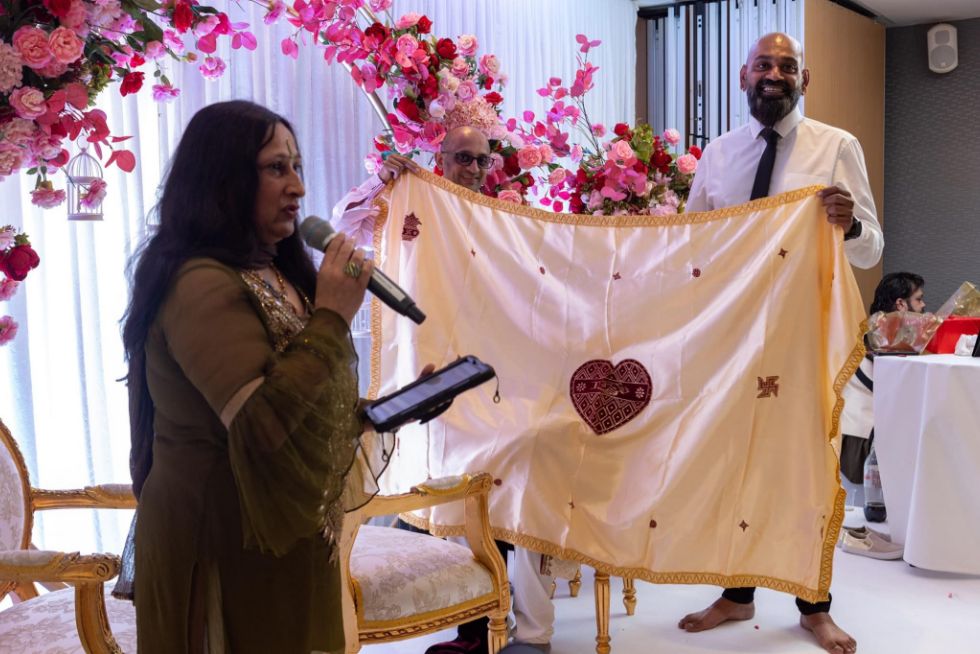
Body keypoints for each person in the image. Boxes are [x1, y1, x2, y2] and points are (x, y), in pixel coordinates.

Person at [122, 100, 389, 653]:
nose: (297, 187)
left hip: (279, 531)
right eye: (276, 168)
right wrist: (333, 316)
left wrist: (396, 408)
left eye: (297, 167)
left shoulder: (274, 269)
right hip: (218, 535)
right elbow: (261, 424)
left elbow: (304, 403)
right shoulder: (198, 282)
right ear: (223, 179)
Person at [679, 32, 885, 654]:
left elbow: (874, 247)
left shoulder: (836, 147)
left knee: (806, 467)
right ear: (744, 78)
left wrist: (849, 224)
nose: (776, 74)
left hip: (804, 338)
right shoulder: (717, 155)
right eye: (764, 65)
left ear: (804, 80)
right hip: (732, 338)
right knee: (735, 464)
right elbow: (688, 243)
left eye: (788, 67)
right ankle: (737, 596)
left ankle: (814, 605)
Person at [839, 273, 926, 491]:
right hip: (863, 442)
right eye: (919, 299)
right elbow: (889, 387)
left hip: (862, 435)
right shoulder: (883, 336)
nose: (924, 305)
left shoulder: (874, 330)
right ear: (901, 304)